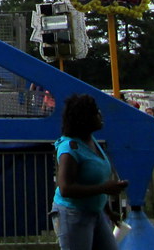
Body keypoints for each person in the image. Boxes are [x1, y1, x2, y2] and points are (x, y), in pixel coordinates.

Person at [53, 94, 128, 250]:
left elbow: (94, 181)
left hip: (96, 212)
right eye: (96, 112)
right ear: (84, 118)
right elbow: (65, 188)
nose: (100, 115)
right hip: (73, 215)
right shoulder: (69, 148)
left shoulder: (91, 140)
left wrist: (108, 210)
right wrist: (105, 189)